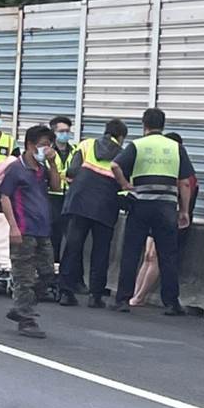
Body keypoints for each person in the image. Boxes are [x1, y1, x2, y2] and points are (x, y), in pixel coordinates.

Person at [111, 107, 195, 315]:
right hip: (166, 207)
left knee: (131, 252)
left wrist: (124, 185)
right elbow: (185, 183)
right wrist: (184, 211)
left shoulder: (137, 145)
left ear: (144, 125)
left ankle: (122, 299)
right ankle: (171, 303)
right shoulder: (176, 147)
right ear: (163, 125)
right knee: (168, 255)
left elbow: (114, 165)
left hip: (140, 205)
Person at [57, 118, 129, 308]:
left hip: (79, 202)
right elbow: (125, 185)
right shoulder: (123, 155)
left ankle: (65, 292)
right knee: (101, 251)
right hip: (106, 206)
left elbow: (72, 171)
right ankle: (95, 296)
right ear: (121, 137)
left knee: (73, 247)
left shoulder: (87, 144)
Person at [0, 125, 60, 338]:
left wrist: (53, 163)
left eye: (49, 145)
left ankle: (21, 307)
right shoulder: (16, 168)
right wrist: (13, 227)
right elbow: (5, 196)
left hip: (42, 230)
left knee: (47, 273)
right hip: (24, 230)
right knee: (23, 275)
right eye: (43, 145)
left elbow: (56, 186)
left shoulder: (42, 169)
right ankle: (26, 318)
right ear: (30, 145)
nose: (47, 149)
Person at [130, 132, 199, 306]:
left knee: (155, 257)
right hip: (159, 214)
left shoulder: (184, 173)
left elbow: (185, 191)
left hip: (172, 218)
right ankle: (136, 293)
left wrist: (183, 213)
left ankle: (140, 296)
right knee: (148, 255)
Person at [48, 116, 80, 269]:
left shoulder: (76, 151)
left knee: (72, 238)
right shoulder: (47, 152)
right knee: (54, 236)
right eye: (61, 131)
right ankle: (52, 270)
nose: (65, 134)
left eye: (67, 131)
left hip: (70, 198)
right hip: (52, 197)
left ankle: (67, 273)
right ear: (53, 133)